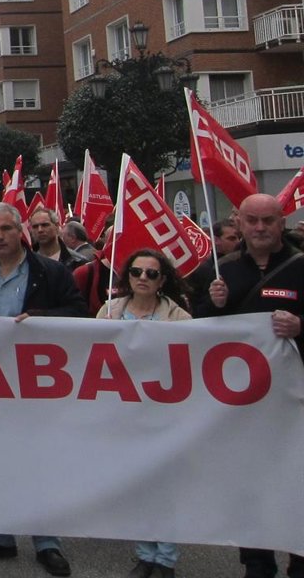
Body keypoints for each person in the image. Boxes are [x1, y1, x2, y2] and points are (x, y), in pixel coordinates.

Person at [0, 202, 86, 577]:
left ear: (21, 232)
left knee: (37, 462)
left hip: (35, 385)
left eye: (6, 230)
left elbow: (79, 312)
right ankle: (0, 536)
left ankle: (47, 542)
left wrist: (42, 320)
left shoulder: (50, 272)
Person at [194, 193, 303, 578]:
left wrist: (301, 327)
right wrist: (213, 304)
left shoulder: (300, 266)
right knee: (248, 483)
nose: (259, 228)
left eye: (268, 221)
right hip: (241, 402)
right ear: (238, 223)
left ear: (282, 222)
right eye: (252, 221)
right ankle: (256, 560)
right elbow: (197, 330)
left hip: (294, 402)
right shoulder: (221, 269)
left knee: (296, 480)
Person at [98, 249, 191, 578]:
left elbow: (189, 362)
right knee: (137, 487)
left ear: (162, 280)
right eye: (137, 271)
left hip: (163, 414)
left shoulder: (179, 317)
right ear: (127, 277)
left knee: (164, 489)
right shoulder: (108, 312)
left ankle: (166, 558)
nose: (142, 278)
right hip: (123, 415)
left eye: (151, 273)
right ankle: (144, 553)